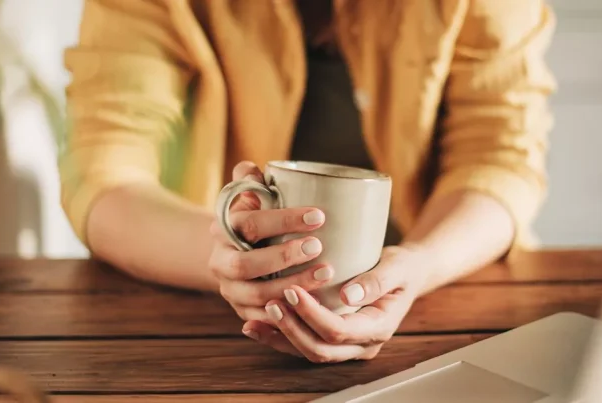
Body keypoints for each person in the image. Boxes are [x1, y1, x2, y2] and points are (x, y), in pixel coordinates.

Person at [60, 0, 556, 363]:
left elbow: (499, 158)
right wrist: (231, 260)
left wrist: (420, 266)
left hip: (445, 294)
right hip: (205, 322)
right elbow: (104, 175)